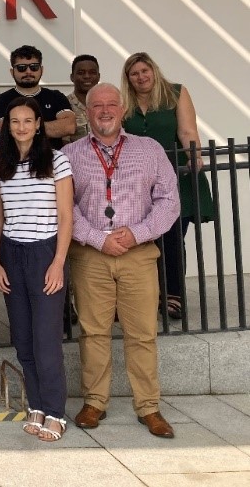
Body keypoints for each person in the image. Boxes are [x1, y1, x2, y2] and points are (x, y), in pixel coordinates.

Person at [63, 83, 180, 438]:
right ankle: (95, 401)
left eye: (111, 104)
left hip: (139, 254)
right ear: (87, 111)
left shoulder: (150, 150)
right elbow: (64, 207)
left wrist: (138, 233)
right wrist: (99, 238)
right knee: (93, 332)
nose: (104, 110)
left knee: (142, 333)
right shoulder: (69, 154)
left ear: (122, 109)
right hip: (91, 255)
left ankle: (149, 407)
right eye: (96, 105)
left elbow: (168, 200)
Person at [0, 97, 73, 442]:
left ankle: (55, 410)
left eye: (27, 120)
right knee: (22, 338)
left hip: (45, 251)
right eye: (14, 121)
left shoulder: (56, 160)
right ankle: (36, 403)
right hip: (11, 253)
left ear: (38, 124)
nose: (21, 127)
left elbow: (67, 216)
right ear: (7, 126)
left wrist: (57, 262)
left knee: (46, 339)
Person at [121, 52, 214, 321]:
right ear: (129, 78)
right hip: (140, 182)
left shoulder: (176, 92)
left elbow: (187, 131)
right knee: (146, 240)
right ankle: (150, 296)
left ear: (154, 70)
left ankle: (173, 296)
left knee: (173, 238)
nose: (141, 77)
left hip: (177, 176)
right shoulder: (124, 101)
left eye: (144, 71)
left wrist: (194, 155)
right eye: (134, 73)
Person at [0, 45, 75, 149]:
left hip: (53, 161)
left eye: (34, 67)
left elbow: (69, 126)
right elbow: (5, 130)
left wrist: (24, 128)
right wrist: (51, 128)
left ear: (42, 70)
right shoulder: (2, 100)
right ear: (12, 72)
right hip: (15, 161)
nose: (28, 72)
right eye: (21, 68)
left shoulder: (56, 96)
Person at [63, 55, 100, 144]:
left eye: (92, 72)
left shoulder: (108, 105)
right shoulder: (64, 105)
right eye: (81, 72)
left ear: (99, 76)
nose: (87, 76)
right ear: (72, 77)